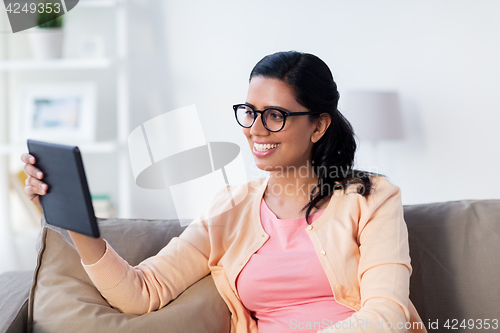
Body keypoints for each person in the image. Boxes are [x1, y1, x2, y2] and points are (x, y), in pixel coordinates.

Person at [22, 51, 427, 333]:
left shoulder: (372, 198)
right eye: (250, 112)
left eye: (275, 115)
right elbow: (141, 293)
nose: (255, 129)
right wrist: (72, 216)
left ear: (318, 127)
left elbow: (386, 315)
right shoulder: (229, 209)